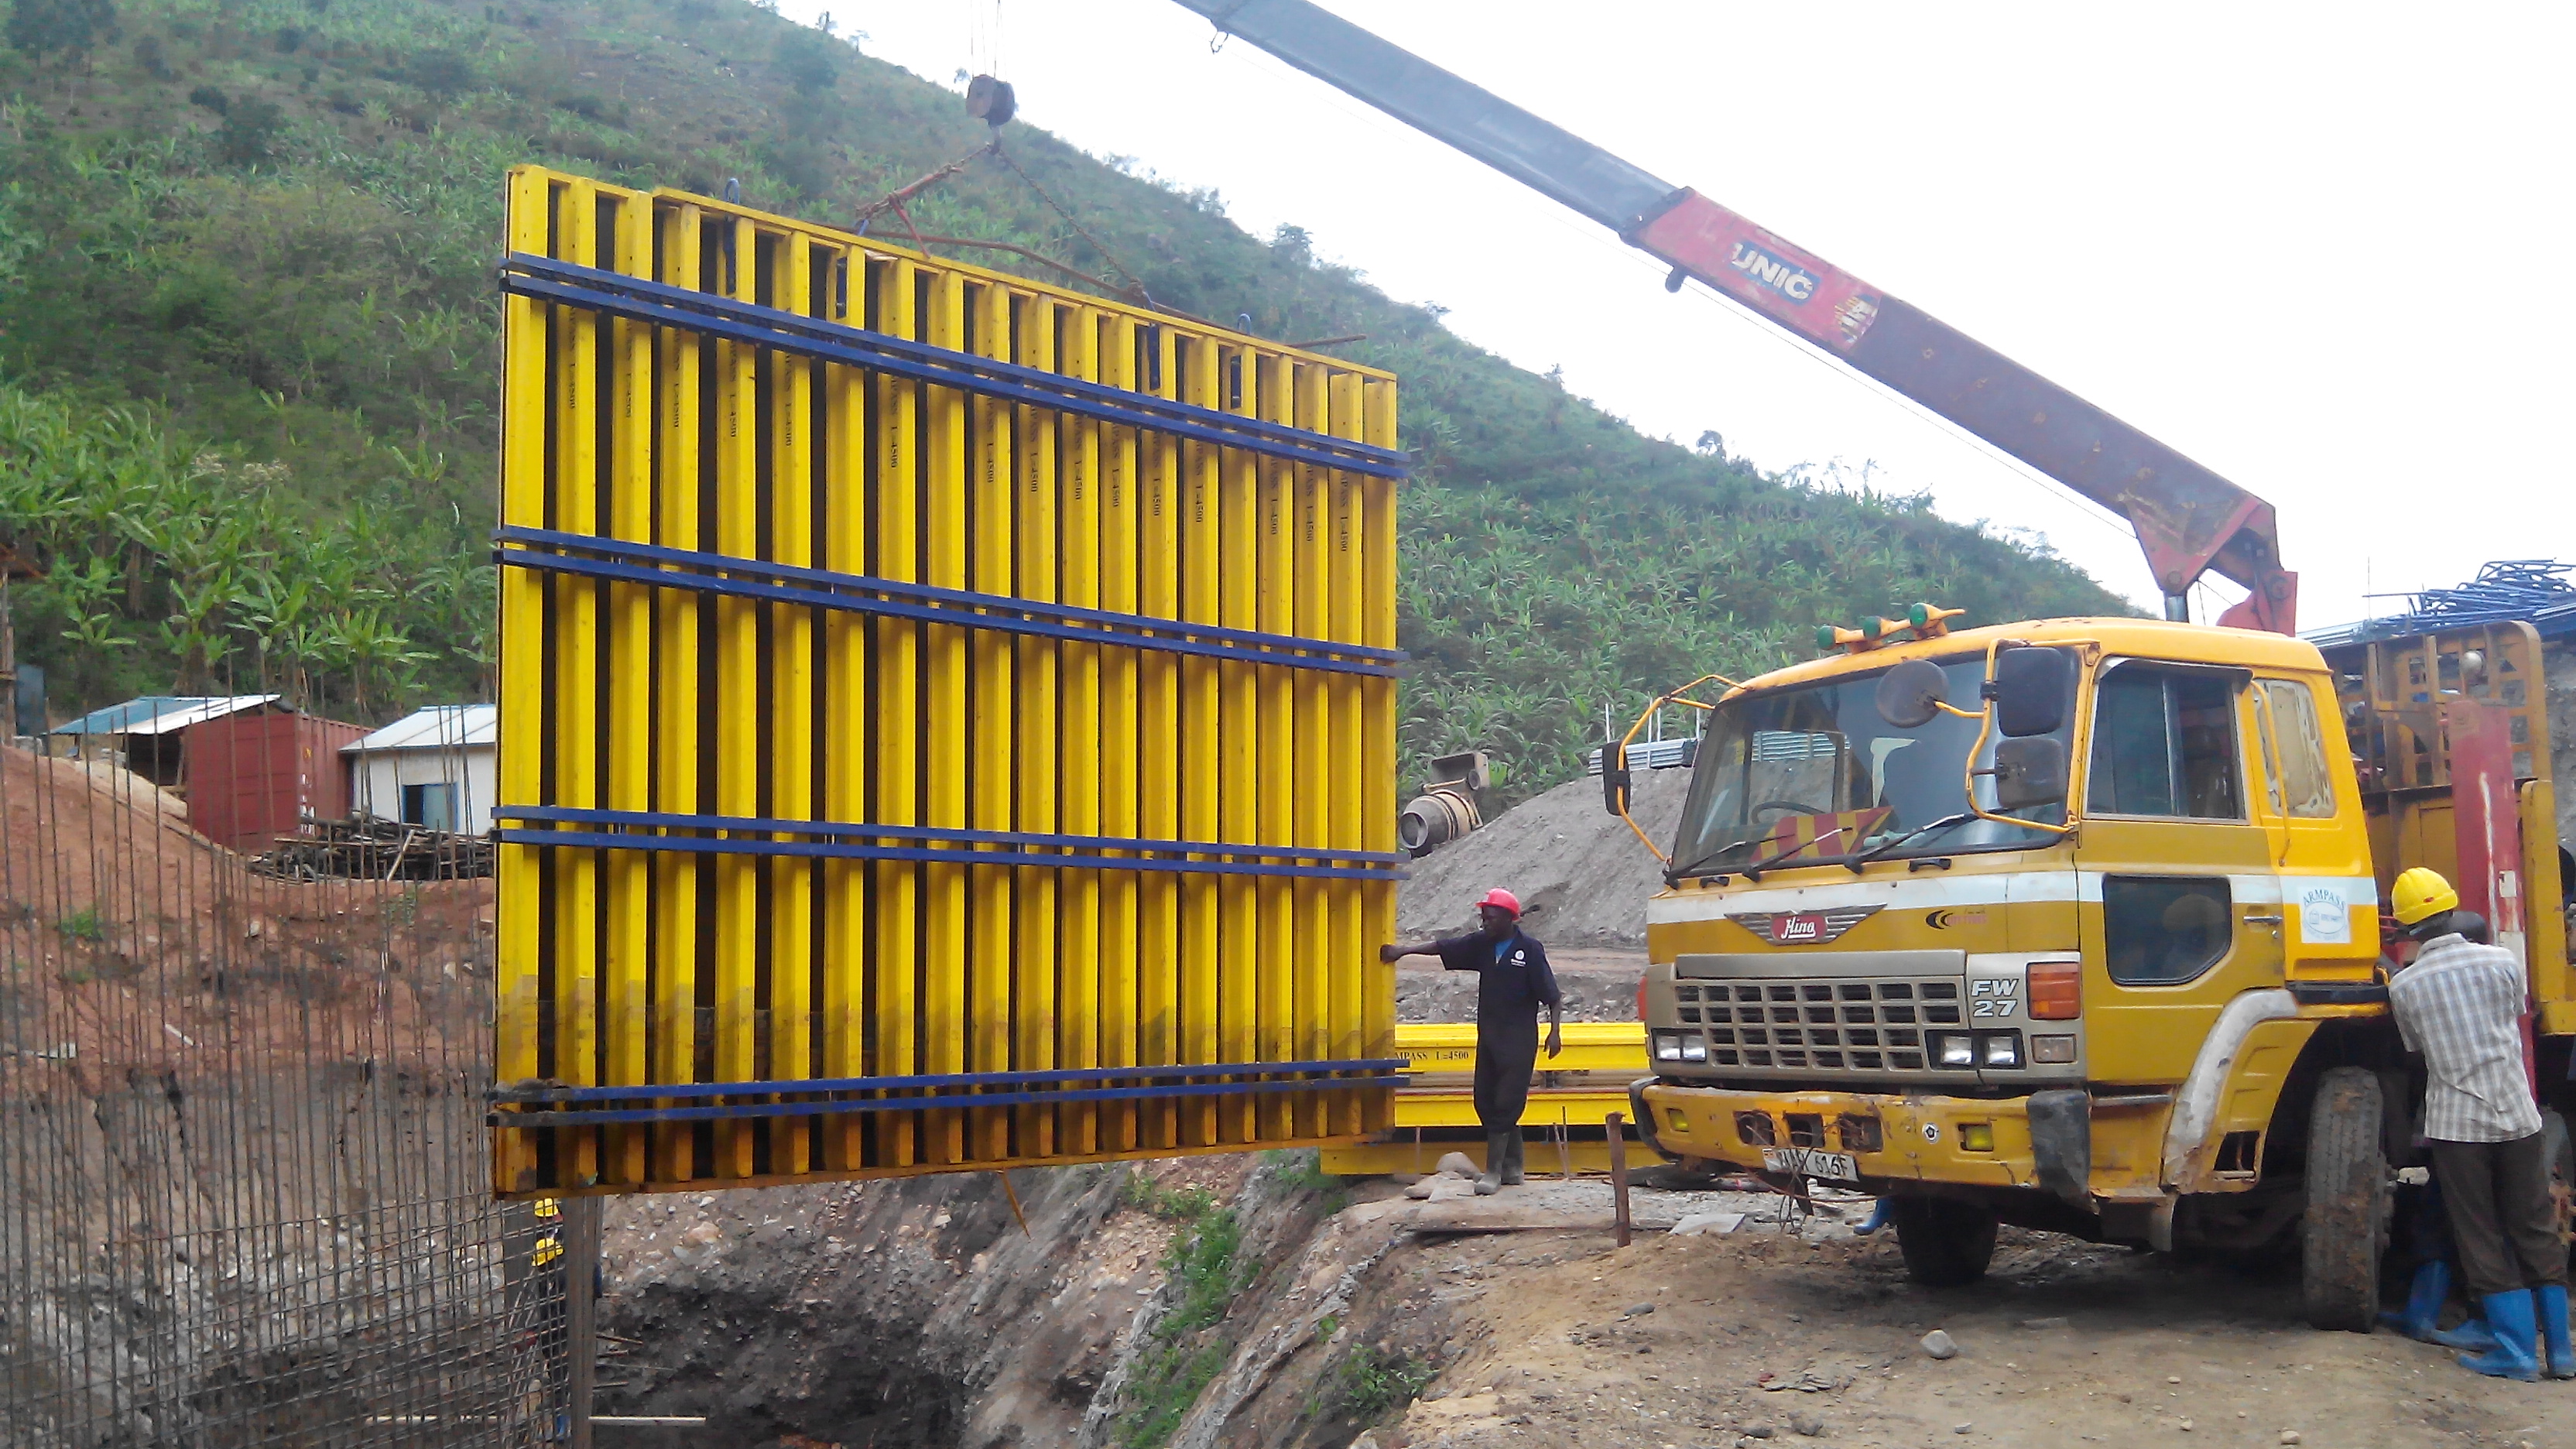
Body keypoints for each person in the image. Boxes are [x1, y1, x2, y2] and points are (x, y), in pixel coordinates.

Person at [2385, 866, 2571, 1381]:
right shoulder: (2501, 961)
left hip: (2458, 1125)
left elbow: (2416, 1050)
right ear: (2452, 909)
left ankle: (2515, 1352)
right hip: (2517, 1115)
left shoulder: (2405, 986)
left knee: (2481, 1234)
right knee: (2533, 1228)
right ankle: (2561, 1352)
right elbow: (2514, 1015)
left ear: (2405, 928)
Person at [1380, 888, 1563, 1194]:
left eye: (1490, 917)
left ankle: (1494, 1173)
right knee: (1485, 1100)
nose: (1484, 923)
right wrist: (1403, 951)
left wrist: (1556, 1032)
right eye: (1483, 917)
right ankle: (1514, 1168)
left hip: (1518, 1041)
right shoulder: (1483, 945)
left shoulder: (1530, 950)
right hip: (1489, 1038)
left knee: (1506, 1102)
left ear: (1508, 917)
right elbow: (1444, 946)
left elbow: (1553, 997)